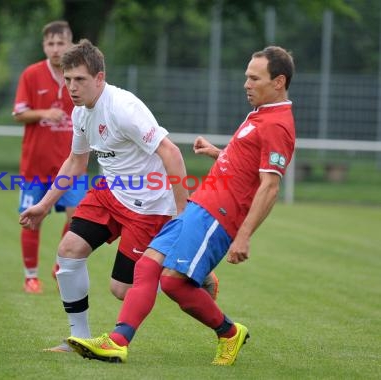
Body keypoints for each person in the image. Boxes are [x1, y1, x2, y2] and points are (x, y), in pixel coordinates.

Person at [66, 46, 296, 366]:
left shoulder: (278, 124)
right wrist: (219, 153)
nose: (246, 84)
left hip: (219, 216)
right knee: (146, 267)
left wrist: (243, 236)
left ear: (279, 82)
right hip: (200, 203)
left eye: (254, 78)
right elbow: (247, 164)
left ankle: (229, 333)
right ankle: (117, 342)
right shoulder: (261, 115)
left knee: (172, 282)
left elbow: (270, 185)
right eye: (246, 76)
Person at [20, 39, 221, 353]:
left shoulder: (124, 108)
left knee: (121, 289)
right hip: (108, 193)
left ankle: (189, 273)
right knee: (68, 251)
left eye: (80, 80)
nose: (71, 87)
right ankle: (79, 338)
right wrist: (44, 205)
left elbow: (170, 152)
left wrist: (183, 214)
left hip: (148, 206)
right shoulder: (81, 113)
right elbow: (76, 161)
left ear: (100, 78)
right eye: (67, 79)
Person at [12, 21, 86, 294]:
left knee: (78, 217)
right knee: (32, 218)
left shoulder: (80, 75)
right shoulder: (31, 75)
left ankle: (59, 264)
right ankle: (30, 276)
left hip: (71, 166)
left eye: (61, 43)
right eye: (50, 44)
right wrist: (44, 113)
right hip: (35, 166)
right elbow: (19, 113)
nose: (56, 49)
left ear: (70, 44)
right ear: (44, 46)